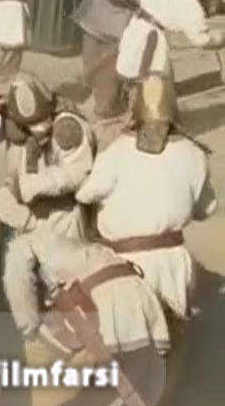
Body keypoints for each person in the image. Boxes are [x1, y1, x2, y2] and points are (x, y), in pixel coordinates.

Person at [2, 203, 169, 406]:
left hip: (98, 301)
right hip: (136, 292)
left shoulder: (23, 244)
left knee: (42, 367)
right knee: (124, 372)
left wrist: (28, 328)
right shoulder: (77, 239)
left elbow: (20, 291)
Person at [76, 75, 214, 322]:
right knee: (175, 332)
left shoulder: (115, 153)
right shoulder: (194, 153)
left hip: (126, 263)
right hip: (175, 264)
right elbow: (207, 209)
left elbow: (84, 195)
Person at [0, 75, 93, 291]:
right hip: (15, 212)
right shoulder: (11, 115)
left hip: (57, 216)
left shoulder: (68, 127)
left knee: (52, 286)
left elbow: (78, 174)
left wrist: (28, 186)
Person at [73, 0, 178, 121]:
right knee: (89, 70)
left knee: (108, 77)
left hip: (121, 23)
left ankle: (109, 110)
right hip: (97, 11)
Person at [115, 0, 218, 94]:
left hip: (136, 26)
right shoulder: (191, 8)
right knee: (154, 80)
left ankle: (134, 92)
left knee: (138, 70)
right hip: (148, 36)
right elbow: (203, 41)